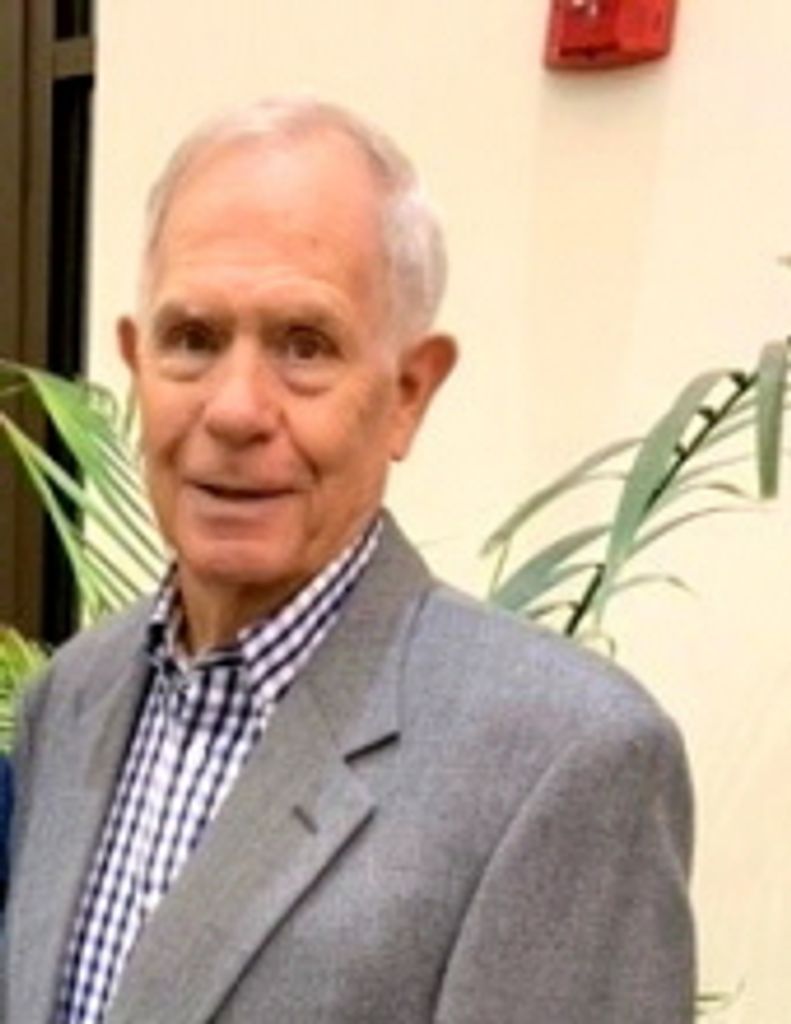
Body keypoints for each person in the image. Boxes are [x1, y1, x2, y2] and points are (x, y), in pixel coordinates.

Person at [1, 96, 694, 1024]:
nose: (235, 410)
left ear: (408, 392)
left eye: (305, 346)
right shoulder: (67, 702)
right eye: (193, 339)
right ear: (136, 362)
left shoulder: (564, 761)